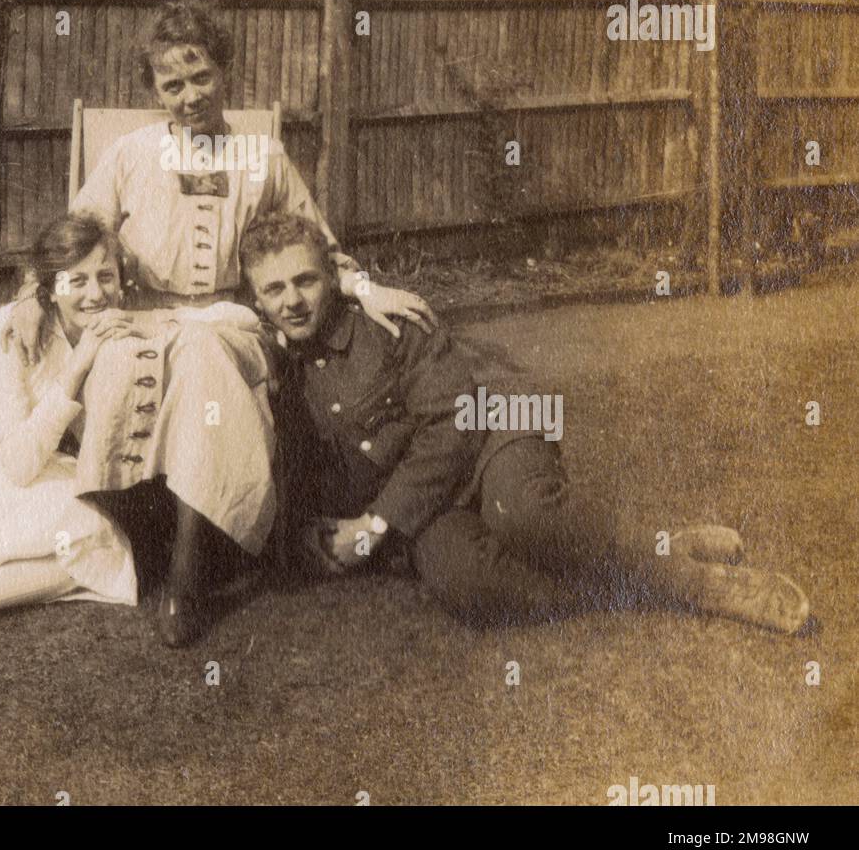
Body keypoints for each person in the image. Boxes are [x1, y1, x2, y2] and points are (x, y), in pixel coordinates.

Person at [0, 2, 435, 644]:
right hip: (145, 314)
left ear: (223, 71)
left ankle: (188, 571)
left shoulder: (262, 155)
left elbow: (314, 243)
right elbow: (75, 240)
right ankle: (132, 541)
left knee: (204, 354)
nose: (188, 95)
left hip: (232, 317)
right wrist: (35, 296)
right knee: (116, 358)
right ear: (152, 91)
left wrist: (365, 288)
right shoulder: (131, 155)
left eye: (200, 76)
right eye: (171, 84)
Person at [240, 212, 812, 635]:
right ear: (257, 300)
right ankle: (656, 553)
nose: (292, 300)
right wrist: (318, 533)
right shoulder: (273, 370)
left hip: (490, 434)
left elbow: (450, 425)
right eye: (275, 288)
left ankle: (705, 587)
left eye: (305, 280)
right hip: (429, 499)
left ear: (331, 278)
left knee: (528, 519)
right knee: (467, 586)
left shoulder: (389, 323)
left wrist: (377, 524)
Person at [0, 215, 264, 654]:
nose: (96, 293)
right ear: (51, 288)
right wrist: (75, 370)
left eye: (106, 277)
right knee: (60, 513)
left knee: (95, 534)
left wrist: (151, 324)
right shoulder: (11, 331)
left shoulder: (114, 322)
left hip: (32, 461)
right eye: (77, 281)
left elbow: (233, 316)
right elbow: (18, 463)